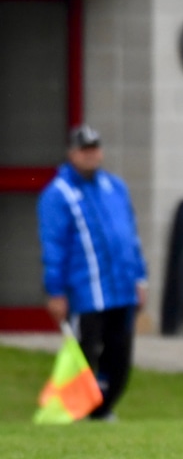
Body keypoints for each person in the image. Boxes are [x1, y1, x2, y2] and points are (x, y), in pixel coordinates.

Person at [37, 125, 148, 421]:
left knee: (119, 355)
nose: (90, 155)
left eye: (94, 148)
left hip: (122, 289)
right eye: (83, 149)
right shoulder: (57, 194)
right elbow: (53, 246)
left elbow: (130, 237)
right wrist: (55, 291)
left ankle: (102, 410)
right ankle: (77, 409)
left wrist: (140, 279)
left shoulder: (115, 187)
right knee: (86, 354)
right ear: (72, 153)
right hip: (86, 292)